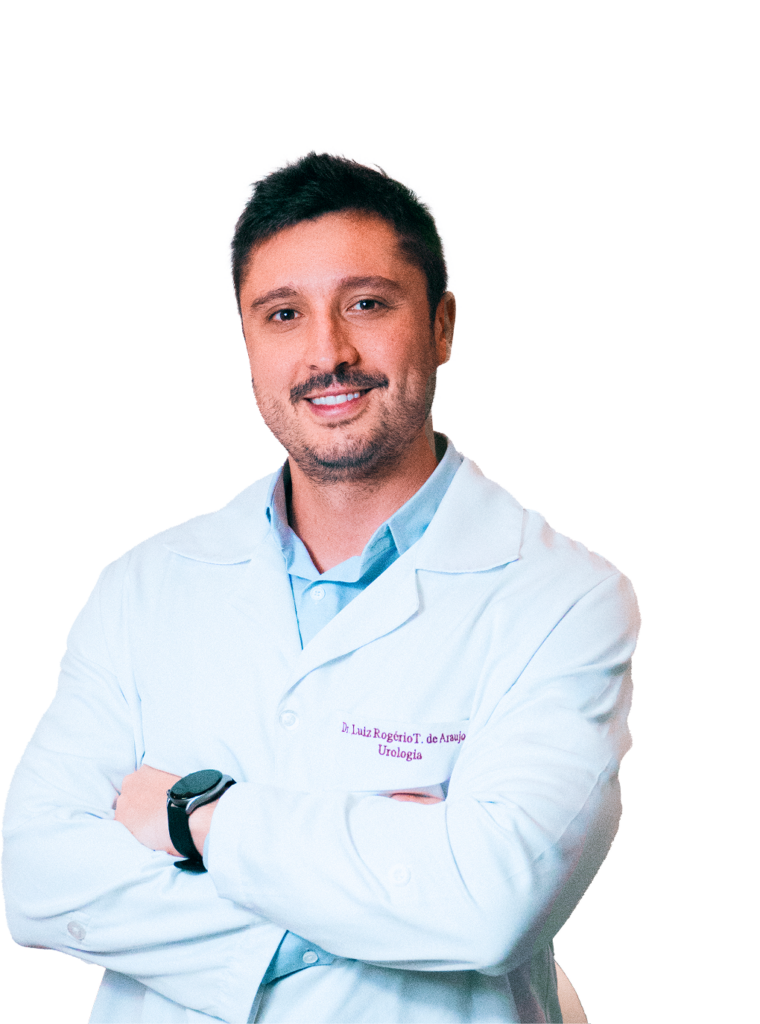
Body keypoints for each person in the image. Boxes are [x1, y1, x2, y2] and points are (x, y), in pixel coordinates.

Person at [1, 147, 640, 1023]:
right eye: (283, 314)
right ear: (248, 341)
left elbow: (491, 905)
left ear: (445, 325)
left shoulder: (566, 597)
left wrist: (195, 820)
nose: (327, 353)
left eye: (367, 304)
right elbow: (39, 877)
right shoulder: (144, 585)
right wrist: (394, 875)